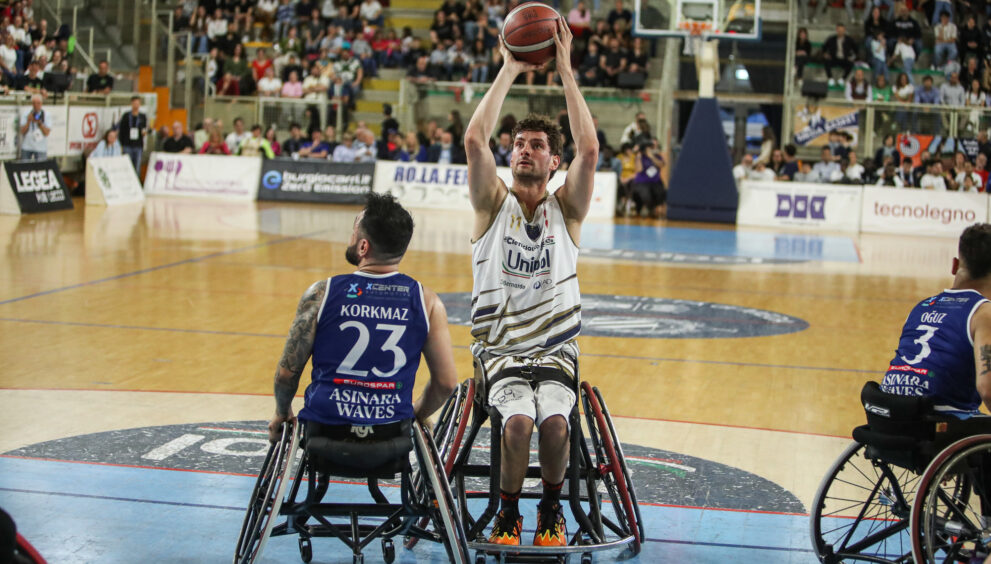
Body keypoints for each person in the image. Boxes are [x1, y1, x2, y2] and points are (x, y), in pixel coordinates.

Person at [462, 17, 596, 548]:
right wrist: (509, 69)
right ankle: (508, 514)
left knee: (556, 424)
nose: (523, 150)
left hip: (556, 348)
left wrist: (565, 70)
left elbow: (590, 151)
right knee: (518, 424)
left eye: (537, 145)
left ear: (554, 161)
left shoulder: (568, 210)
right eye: (518, 143)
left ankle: (551, 511)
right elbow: (475, 140)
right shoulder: (491, 205)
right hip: (499, 349)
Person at [266, 193, 458, 464]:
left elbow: (287, 374)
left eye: (354, 232)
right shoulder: (428, 302)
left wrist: (281, 412)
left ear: (363, 246)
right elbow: (446, 383)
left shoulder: (321, 293)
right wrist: (415, 414)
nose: (351, 237)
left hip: (325, 429)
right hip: (391, 433)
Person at [880, 223, 991, 419]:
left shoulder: (921, 307)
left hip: (885, 415)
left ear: (954, 265)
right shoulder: (983, 313)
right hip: (935, 423)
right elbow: (988, 390)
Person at [117, 96, 149, 172]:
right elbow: (122, 130)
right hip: (127, 144)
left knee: (137, 166)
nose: (136, 105)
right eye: (134, 103)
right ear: (131, 104)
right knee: (127, 165)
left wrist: (144, 132)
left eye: (137, 103)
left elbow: (144, 128)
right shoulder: (126, 115)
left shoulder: (142, 116)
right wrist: (122, 144)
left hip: (138, 145)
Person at [19, 93, 51, 161]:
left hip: (41, 147)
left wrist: (39, 123)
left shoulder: (46, 114)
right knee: (25, 166)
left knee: (41, 167)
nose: (36, 105)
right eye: (34, 103)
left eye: (38, 103)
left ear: (41, 103)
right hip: (27, 146)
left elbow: (47, 133)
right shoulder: (26, 113)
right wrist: (28, 122)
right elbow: (22, 131)